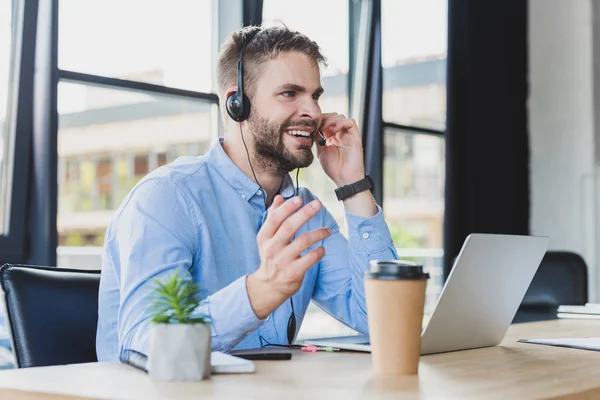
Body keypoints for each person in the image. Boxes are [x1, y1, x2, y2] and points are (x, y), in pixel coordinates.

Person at [96, 25, 399, 361]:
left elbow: (385, 320)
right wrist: (257, 293)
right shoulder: (166, 199)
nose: (312, 112)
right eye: (289, 93)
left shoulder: (305, 213)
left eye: (315, 95)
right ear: (236, 104)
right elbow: (142, 342)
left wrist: (353, 185)